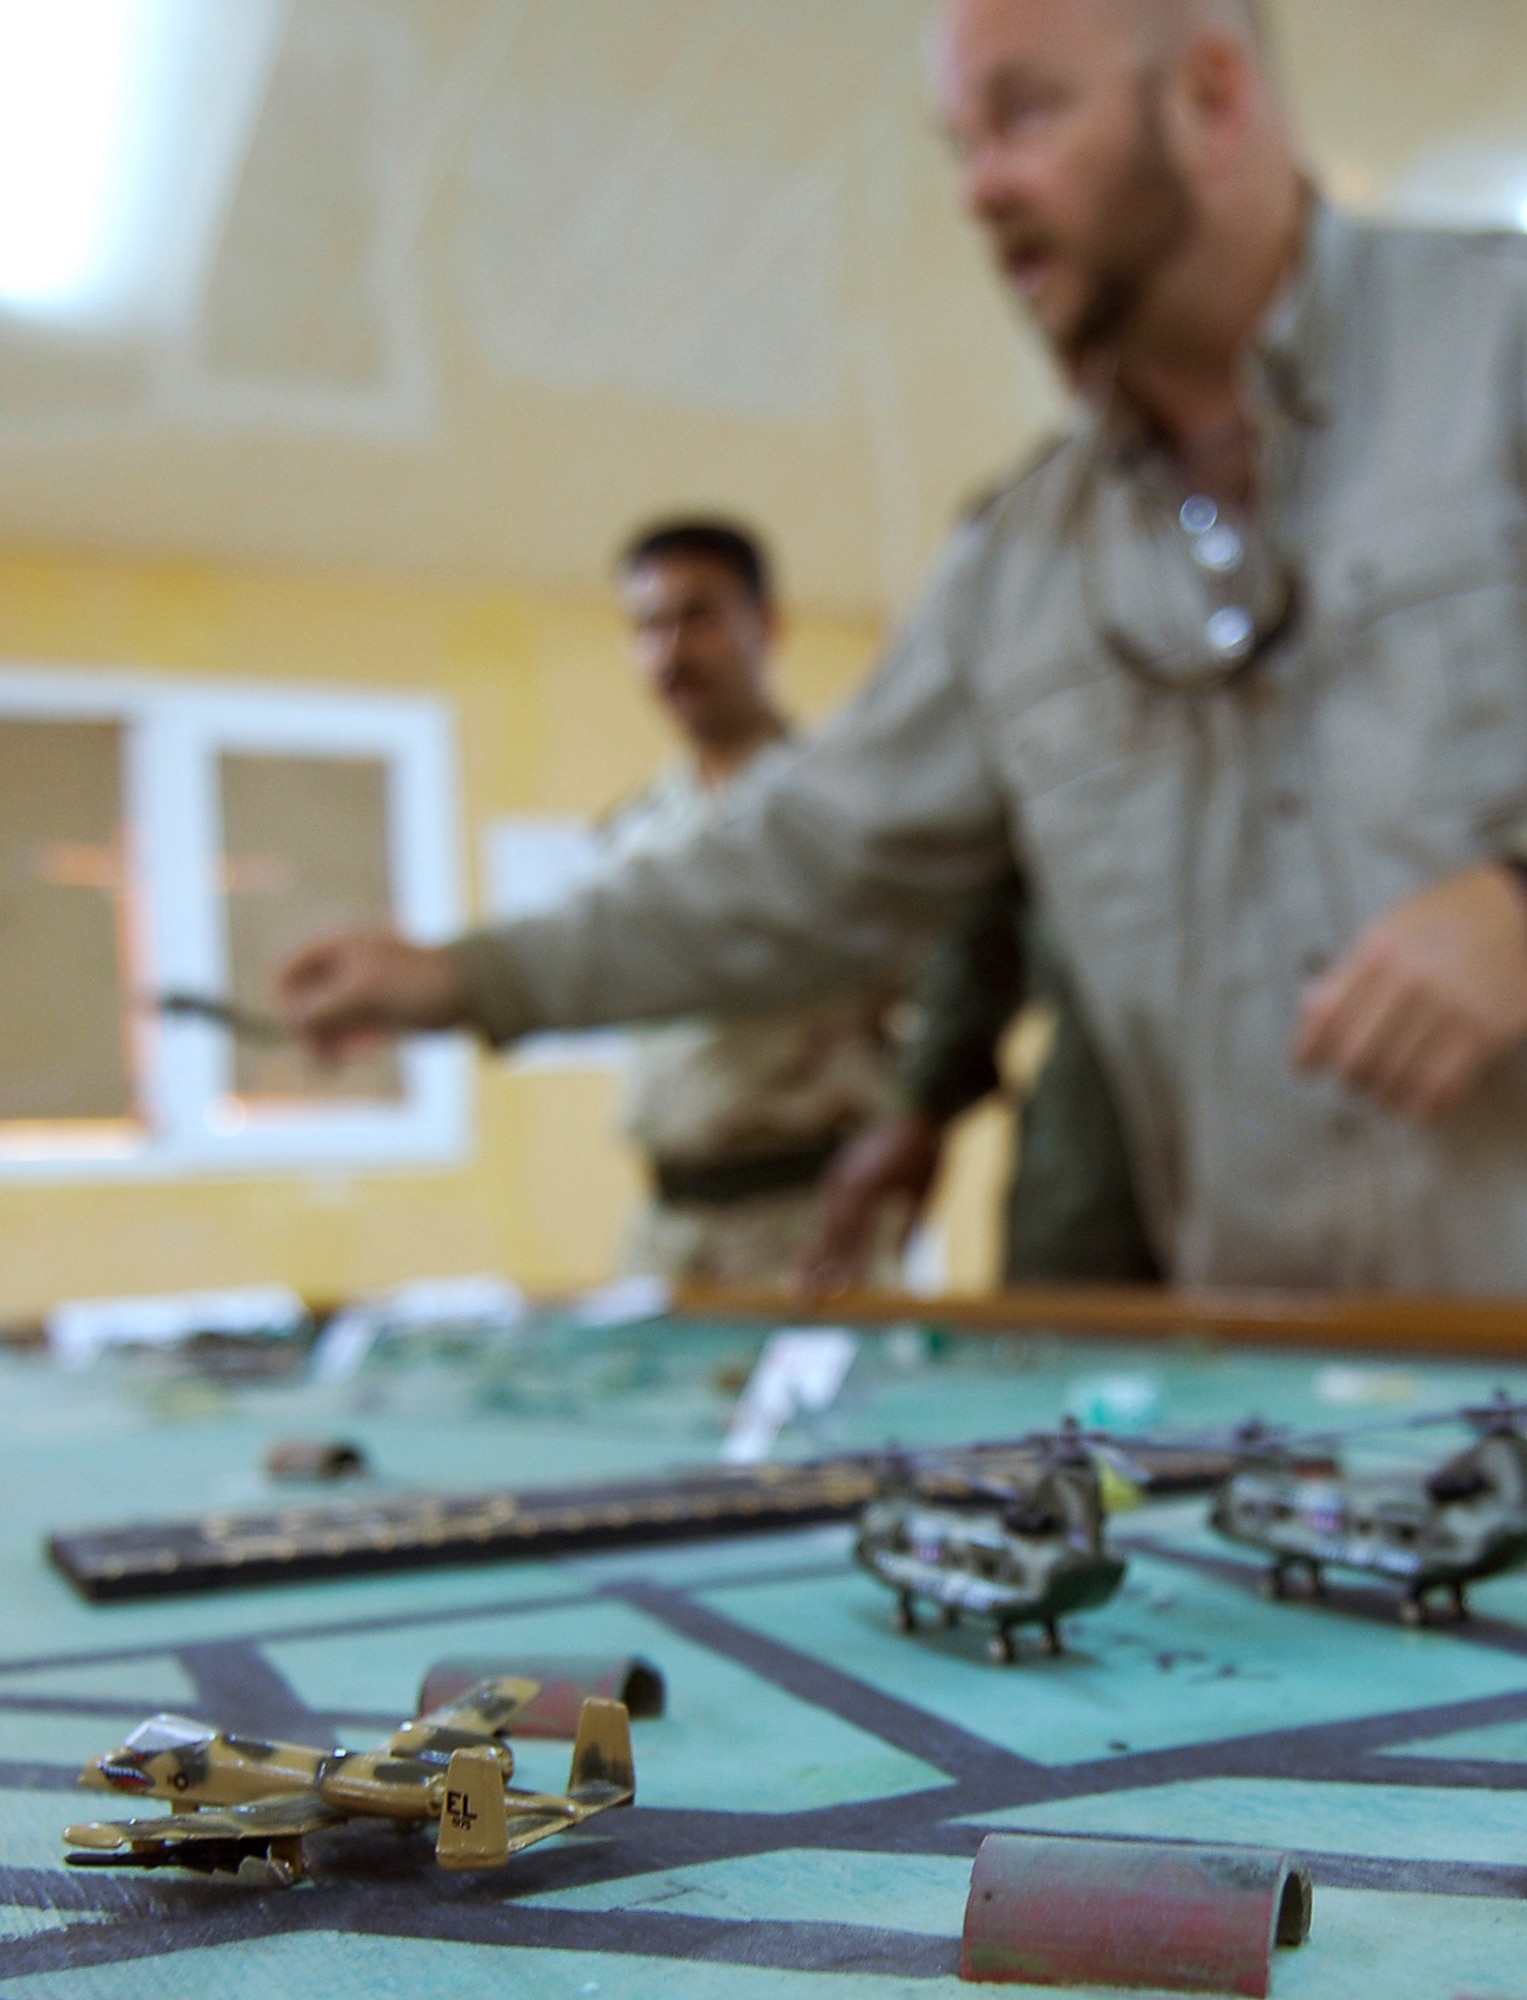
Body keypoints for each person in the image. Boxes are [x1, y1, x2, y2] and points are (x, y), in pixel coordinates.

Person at [277, 0, 1527, 1295]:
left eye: (1025, 113)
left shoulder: (1493, 349)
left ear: (1209, 97)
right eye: (957, 144)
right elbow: (798, 861)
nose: (979, 189)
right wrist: (471, 974)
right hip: (1301, 1410)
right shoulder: (1019, 568)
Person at [565, 518, 903, 1284]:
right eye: (648, 625)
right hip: (667, 1227)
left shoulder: (845, 814)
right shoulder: (636, 832)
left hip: (804, 1222)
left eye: (697, 616)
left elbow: (933, 1007)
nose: (671, 651)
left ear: (766, 624)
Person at [796, 874, 1162, 1295]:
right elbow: (991, 899)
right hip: (1095, 1149)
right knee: (1065, 1315)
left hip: (1234, 1162)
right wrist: (921, 1103)